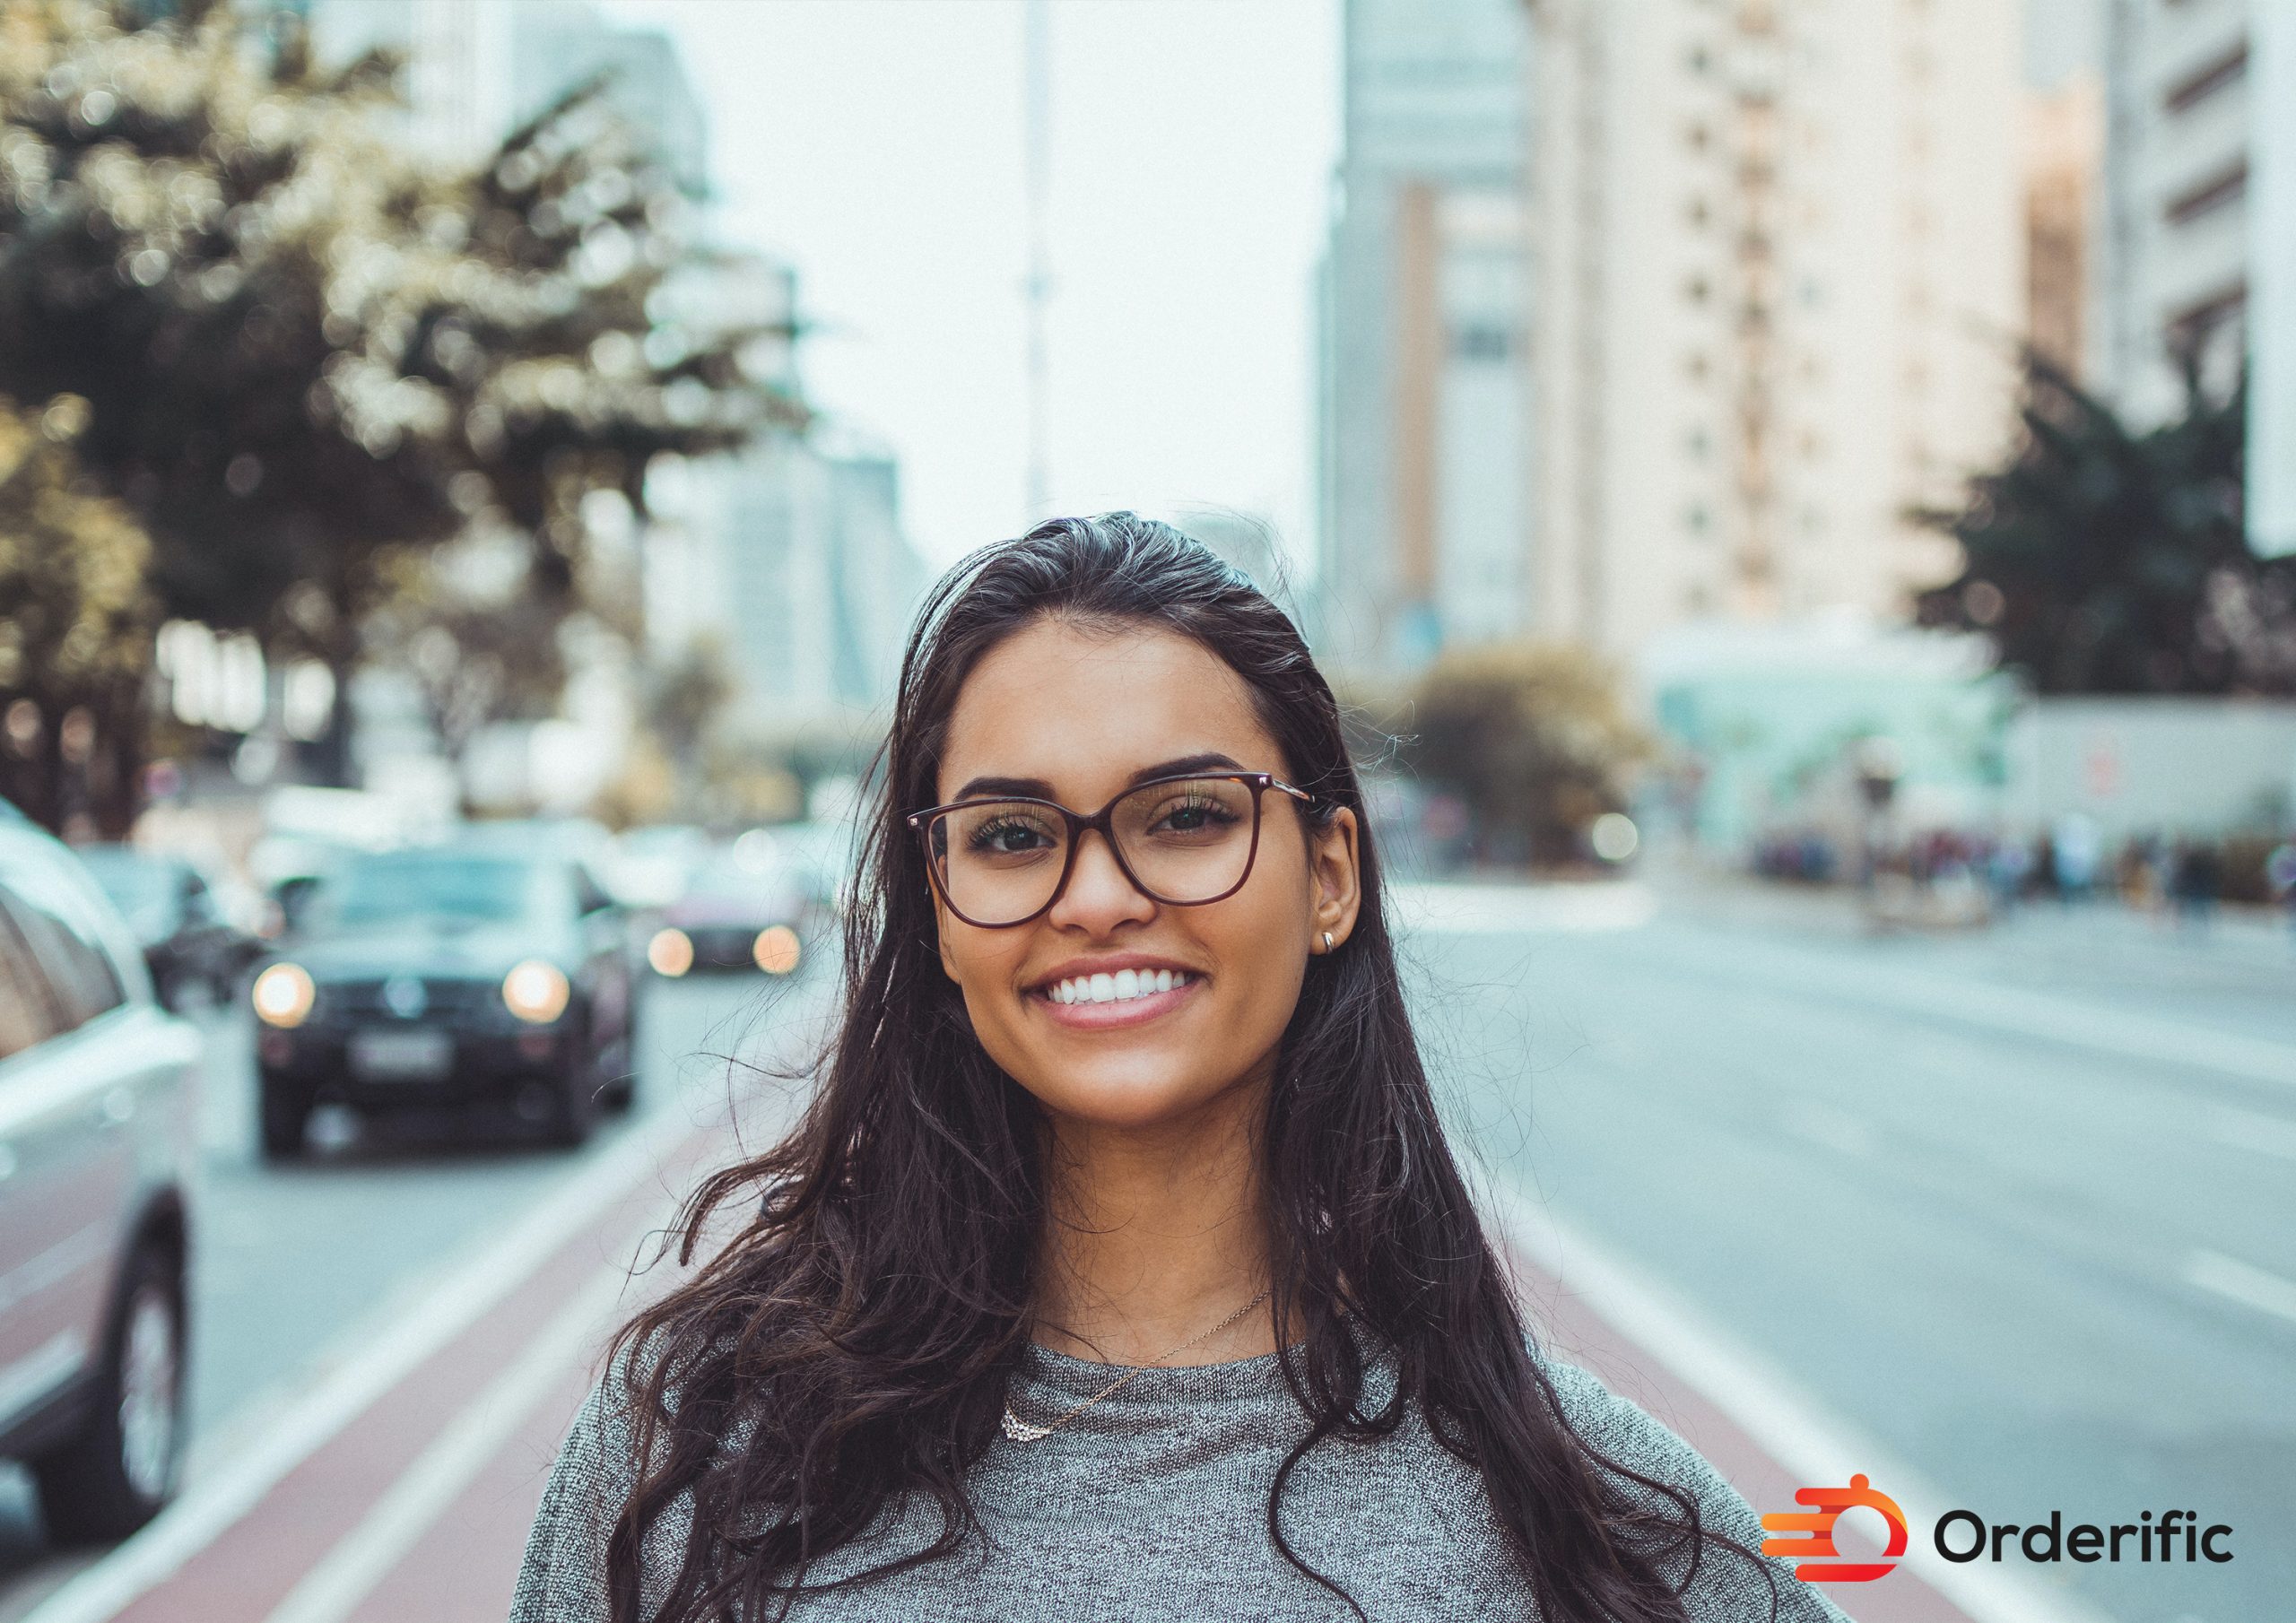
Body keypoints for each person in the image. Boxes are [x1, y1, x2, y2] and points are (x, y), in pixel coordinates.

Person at [511, 516, 1848, 1622]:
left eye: (1189, 816)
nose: (1095, 894)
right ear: (935, 901)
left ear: (1328, 876)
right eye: (1015, 832)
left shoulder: (1588, 1518)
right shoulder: (691, 1456)